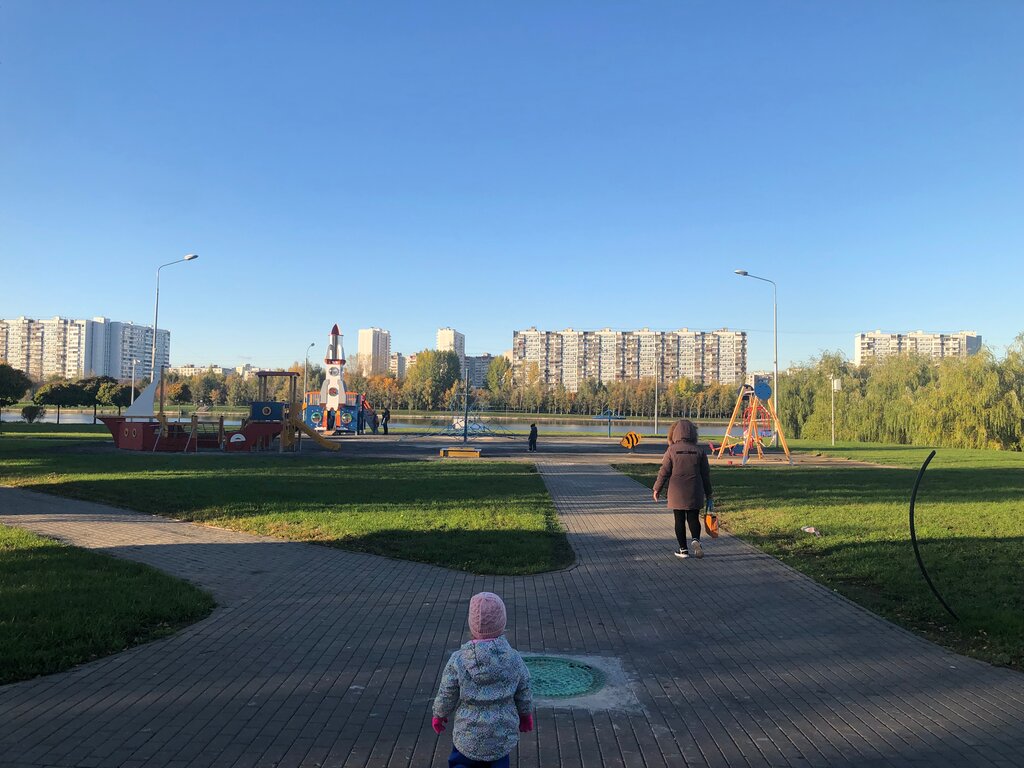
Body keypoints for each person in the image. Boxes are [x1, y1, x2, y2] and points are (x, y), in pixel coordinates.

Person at [432, 592, 534, 768]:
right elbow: (524, 690)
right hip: (500, 736)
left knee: (460, 764)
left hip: (467, 736)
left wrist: (439, 714)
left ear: (472, 625)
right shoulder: (513, 659)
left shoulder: (459, 659)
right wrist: (526, 714)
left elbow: (447, 692)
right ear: (502, 623)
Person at [653, 419, 714, 559]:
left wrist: (657, 488)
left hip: (676, 490)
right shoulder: (700, 451)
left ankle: (683, 550)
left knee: (679, 519)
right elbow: (705, 475)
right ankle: (695, 540)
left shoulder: (671, 450)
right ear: (693, 433)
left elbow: (664, 471)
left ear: (675, 433)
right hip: (695, 489)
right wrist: (709, 493)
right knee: (693, 518)